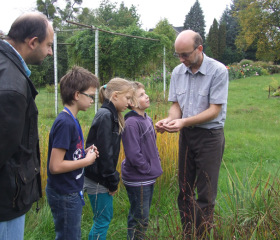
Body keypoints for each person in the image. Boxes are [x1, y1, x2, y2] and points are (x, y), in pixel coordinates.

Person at [155, 30, 229, 238]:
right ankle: (188, 234)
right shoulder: (178, 72)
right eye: (178, 55)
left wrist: (183, 121)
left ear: (199, 49)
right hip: (187, 136)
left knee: (205, 195)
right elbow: (176, 105)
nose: (181, 59)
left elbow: (215, 110)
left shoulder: (218, 71)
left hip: (210, 137)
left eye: (185, 54)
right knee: (185, 190)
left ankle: (202, 235)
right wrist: (170, 120)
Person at [0, 12, 54, 240]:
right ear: (33, 42)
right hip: (5, 200)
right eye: (49, 45)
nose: (50, 52)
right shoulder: (11, 86)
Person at [45, 66, 99, 240]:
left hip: (70, 190)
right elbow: (55, 166)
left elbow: (67, 155)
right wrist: (86, 161)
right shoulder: (65, 123)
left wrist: (83, 153)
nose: (92, 100)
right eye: (90, 96)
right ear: (77, 95)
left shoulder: (71, 119)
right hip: (64, 193)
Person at [84, 78, 134, 240]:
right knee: (102, 220)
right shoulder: (106, 116)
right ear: (115, 96)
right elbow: (105, 154)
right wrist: (112, 180)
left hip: (100, 177)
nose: (129, 102)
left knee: (103, 218)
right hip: (98, 179)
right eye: (127, 98)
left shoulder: (111, 114)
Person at [121, 82, 163, 239]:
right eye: (141, 95)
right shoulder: (131, 123)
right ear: (131, 103)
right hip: (138, 178)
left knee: (142, 216)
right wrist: (147, 168)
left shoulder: (147, 119)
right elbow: (133, 154)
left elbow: (152, 146)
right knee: (140, 219)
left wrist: (155, 164)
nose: (147, 96)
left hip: (147, 177)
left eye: (145, 93)